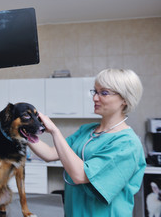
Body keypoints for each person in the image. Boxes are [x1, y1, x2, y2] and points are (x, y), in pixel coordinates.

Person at [29, 68, 146, 216]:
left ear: (125, 99)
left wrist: (54, 131)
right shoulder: (87, 130)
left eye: (103, 93)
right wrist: (22, 131)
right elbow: (50, 153)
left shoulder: (127, 144)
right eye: (95, 92)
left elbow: (80, 175)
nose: (95, 98)